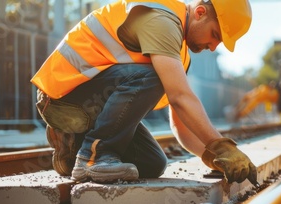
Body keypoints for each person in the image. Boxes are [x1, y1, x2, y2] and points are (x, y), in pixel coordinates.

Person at [31, 0, 258, 185]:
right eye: (215, 35)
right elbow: (180, 98)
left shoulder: (179, 50)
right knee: (155, 76)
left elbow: (181, 124)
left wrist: (214, 157)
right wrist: (221, 144)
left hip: (89, 105)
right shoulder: (161, 20)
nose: (213, 46)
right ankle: (94, 158)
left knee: (153, 163)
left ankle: (73, 147)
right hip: (63, 97)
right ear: (200, 12)